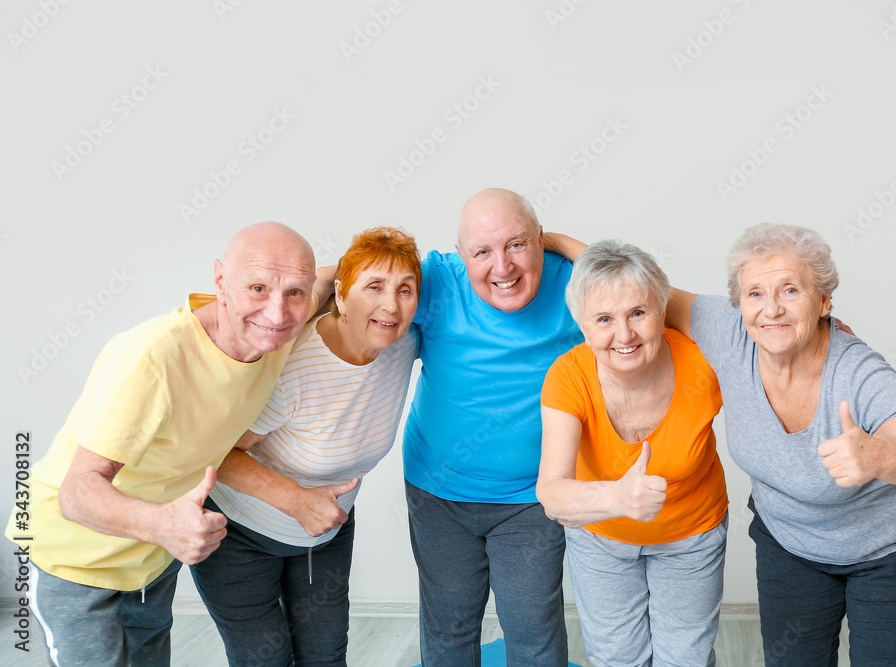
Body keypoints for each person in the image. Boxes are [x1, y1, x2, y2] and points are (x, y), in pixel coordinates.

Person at [5, 221, 334, 667]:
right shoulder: (151, 359)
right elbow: (77, 491)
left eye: (294, 292)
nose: (277, 313)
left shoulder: (276, 327)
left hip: (152, 561)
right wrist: (163, 525)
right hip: (73, 559)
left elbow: (330, 278)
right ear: (220, 280)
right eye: (257, 288)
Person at [663, 223, 896, 666]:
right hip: (791, 544)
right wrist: (546, 242)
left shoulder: (859, 375)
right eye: (755, 293)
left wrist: (884, 458)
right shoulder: (729, 333)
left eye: (791, 290)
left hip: (890, 552)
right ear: (739, 305)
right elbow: (635, 287)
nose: (771, 308)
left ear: (825, 301)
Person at [190, 227, 422, 667]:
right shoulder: (292, 361)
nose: (390, 305)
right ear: (340, 291)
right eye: (373, 287)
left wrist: (552, 243)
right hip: (238, 533)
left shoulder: (402, 341)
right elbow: (213, 450)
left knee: (325, 657)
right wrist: (295, 500)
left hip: (326, 533)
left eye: (405, 290)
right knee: (266, 660)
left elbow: (490, 275)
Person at [403, 187, 585, 666]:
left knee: (532, 628)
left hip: (532, 498)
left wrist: (564, 244)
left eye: (518, 245)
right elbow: (354, 277)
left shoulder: (573, 284)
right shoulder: (435, 282)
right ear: (461, 256)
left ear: (540, 241)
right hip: (438, 491)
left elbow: (640, 288)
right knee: (449, 623)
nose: (502, 267)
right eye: (482, 252)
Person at [536, 240, 729, 667]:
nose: (623, 335)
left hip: (691, 534)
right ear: (582, 326)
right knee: (617, 659)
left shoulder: (704, 363)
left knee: (686, 660)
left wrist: (820, 335)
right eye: (604, 319)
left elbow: (768, 349)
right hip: (600, 539)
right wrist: (618, 499)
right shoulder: (569, 377)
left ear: (662, 311)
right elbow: (551, 492)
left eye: (637, 314)